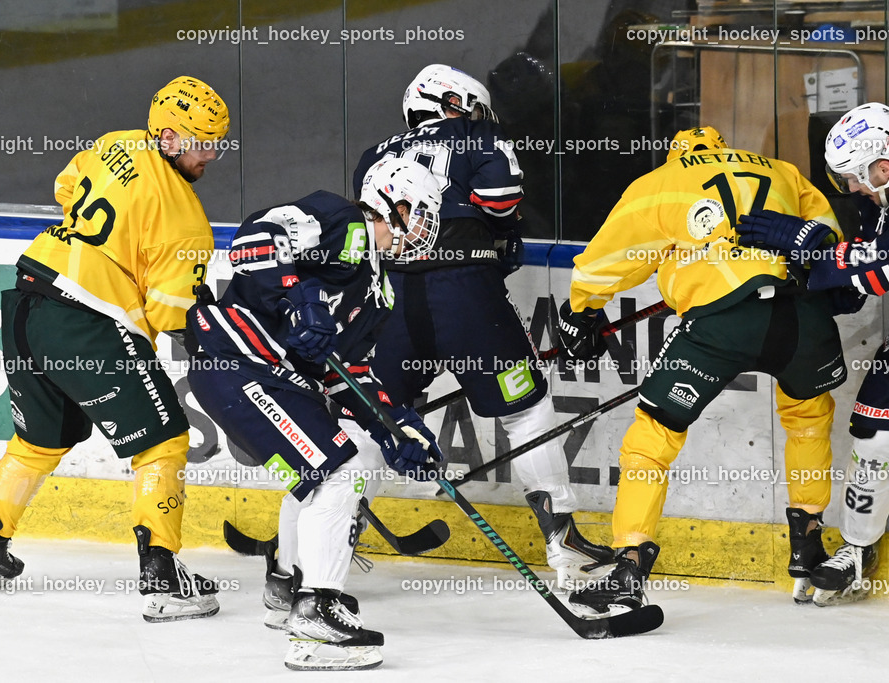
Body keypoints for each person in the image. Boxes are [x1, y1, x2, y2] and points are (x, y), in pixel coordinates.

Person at [0, 76, 230, 622]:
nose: (211, 155)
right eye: (202, 143)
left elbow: (66, 186)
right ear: (171, 137)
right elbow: (167, 316)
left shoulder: (119, 142)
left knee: (37, 441)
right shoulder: (188, 221)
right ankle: (161, 575)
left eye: (217, 142)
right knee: (166, 441)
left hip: (26, 301)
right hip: (86, 322)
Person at [560, 126, 848, 614]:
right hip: (802, 317)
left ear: (678, 152)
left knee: (654, 435)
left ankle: (630, 565)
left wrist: (581, 310)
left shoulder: (663, 182)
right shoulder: (780, 169)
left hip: (722, 324)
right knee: (809, 417)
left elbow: (609, 258)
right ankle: (809, 543)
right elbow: (829, 239)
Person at [349, 64, 614, 590]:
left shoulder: (373, 154)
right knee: (526, 412)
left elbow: (380, 231)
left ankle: (332, 539)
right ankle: (564, 545)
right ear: (457, 103)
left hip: (390, 302)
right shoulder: (479, 135)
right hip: (466, 293)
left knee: (373, 417)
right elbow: (502, 202)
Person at [186, 159, 446, 671]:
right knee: (340, 472)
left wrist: (396, 427)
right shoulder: (341, 220)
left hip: (269, 378)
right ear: (390, 203)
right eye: (419, 215)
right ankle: (316, 616)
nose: (423, 230)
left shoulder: (380, 289)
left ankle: (294, 594)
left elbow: (347, 374)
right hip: (237, 362)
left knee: (329, 472)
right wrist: (303, 297)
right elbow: (254, 239)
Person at [736, 102, 889, 606]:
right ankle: (857, 551)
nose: (851, 188)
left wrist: (805, 245)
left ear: (884, 163)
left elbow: (881, 266)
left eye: (855, 177)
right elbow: (868, 262)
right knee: (873, 443)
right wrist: (822, 283)